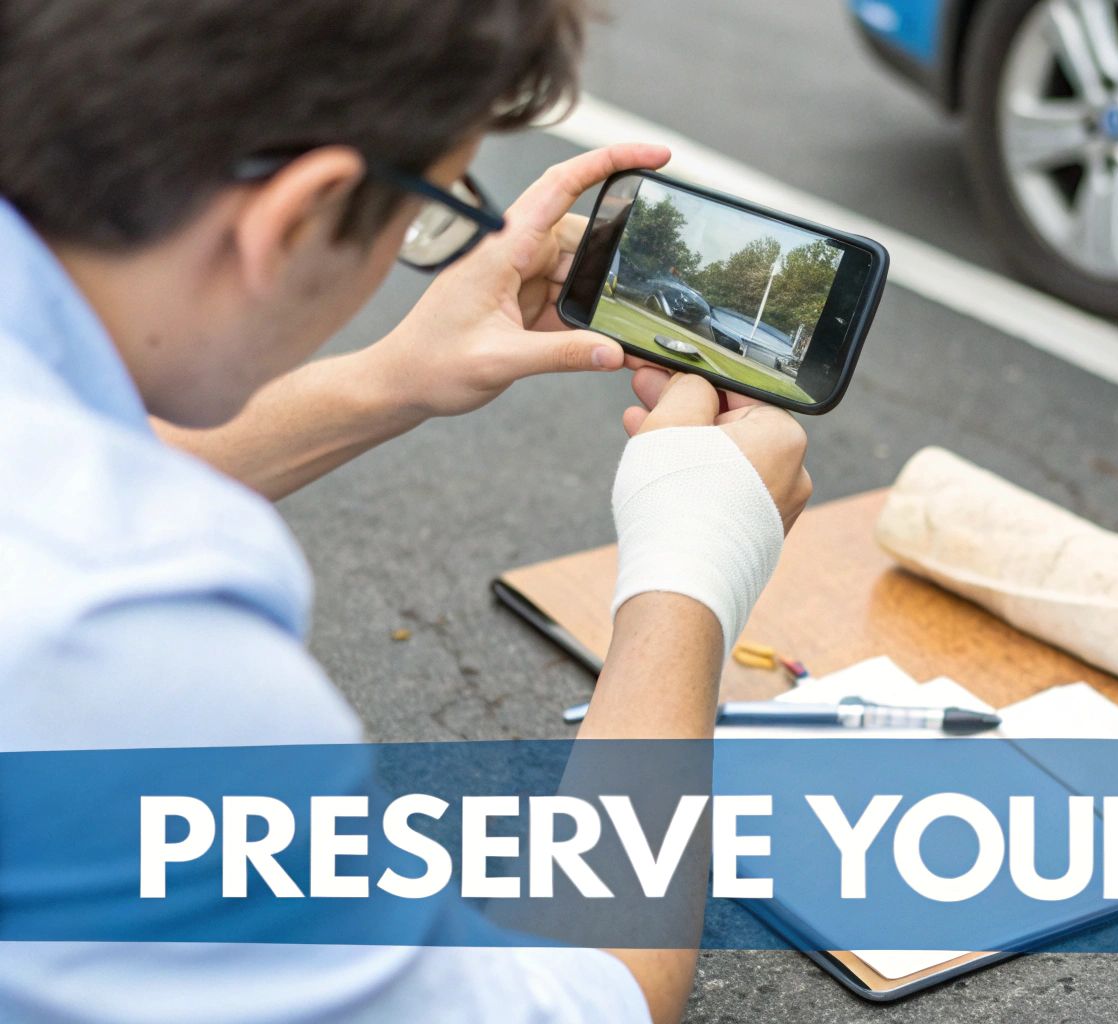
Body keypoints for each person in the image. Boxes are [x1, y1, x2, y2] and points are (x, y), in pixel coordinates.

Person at [0, 1, 809, 1021]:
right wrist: (690, 572)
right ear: (299, 215)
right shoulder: (131, 662)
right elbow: (582, 1001)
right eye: (432, 211)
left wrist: (393, 379)